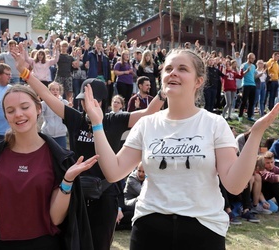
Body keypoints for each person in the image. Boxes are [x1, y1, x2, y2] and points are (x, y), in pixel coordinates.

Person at [83, 48, 279, 249]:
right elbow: (113, 171)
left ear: (198, 81)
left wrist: (256, 133)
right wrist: (97, 124)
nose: (173, 72)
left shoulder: (214, 123)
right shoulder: (147, 124)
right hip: (150, 229)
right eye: (168, 68)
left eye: (182, 68)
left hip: (204, 230)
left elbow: (234, 185)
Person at [12, 45, 165, 250]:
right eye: (81, 100)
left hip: (106, 193)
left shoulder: (114, 120)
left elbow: (147, 114)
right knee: (75, 242)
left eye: (87, 100)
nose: (83, 104)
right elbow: (46, 96)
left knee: (101, 243)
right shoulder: (76, 119)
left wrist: (164, 93)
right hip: (78, 191)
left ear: (100, 101)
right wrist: (24, 72)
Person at [0, 84, 96, 250]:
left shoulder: (58, 159)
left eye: (24, 107)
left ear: (38, 109)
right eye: (11, 110)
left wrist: (67, 181)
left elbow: (56, 219)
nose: (18, 114)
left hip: (46, 244)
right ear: (6, 116)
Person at [41, 82, 70, 149]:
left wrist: (70, 109)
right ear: (49, 91)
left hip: (61, 134)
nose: (55, 91)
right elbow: (38, 114)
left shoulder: (65, 102)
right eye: (53, 89)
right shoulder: (44, 103)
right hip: (47, 135)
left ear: (60, 92)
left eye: (57, 89)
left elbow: (70, 118)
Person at [239, 53, 257, 122]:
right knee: (244, 100)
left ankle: (249, 116)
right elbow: (241, 75)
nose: (253, 60)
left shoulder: (254, 66)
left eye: (254, 58)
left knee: (251, 102)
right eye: (252, 58)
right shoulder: (244, 65)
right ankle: (240, 115)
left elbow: (253, 76)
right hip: (246, 85)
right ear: (248, 58)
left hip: (253, 85)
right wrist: (246, 71)